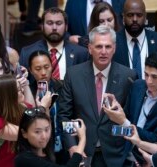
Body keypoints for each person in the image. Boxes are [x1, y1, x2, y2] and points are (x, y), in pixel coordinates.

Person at [58, 25, 137, 167]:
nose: (104, 52)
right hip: (83, 152)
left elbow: (130, 117)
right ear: (89, 48)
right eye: (99, 46)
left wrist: (123, 149)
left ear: (114, 48)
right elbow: (65, 115)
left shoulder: (128, 76)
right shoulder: (73, 75)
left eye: (108, 47)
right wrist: (72, 146)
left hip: (116, 156)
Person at [103, 51, 157, 165]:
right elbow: (127, 115)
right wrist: (116, 110)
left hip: (147, 159)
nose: (149, 81)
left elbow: (156, 138)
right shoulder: (138, 86)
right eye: (146, 74)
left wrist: (123, 121)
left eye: (155, 76)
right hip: (123, 154)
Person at [20, 7, 89, 81]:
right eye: (49, 23)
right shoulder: (27, 53)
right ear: (42, 26)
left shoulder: (81, 53)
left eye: (59, 23)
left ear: (66, 27)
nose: (54, 27)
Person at [113, 0, 157, 79]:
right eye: (130, 15)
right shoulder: (113, 42)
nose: (135, 19)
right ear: (123, 17)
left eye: (139, 15)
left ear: (145, 17)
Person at [28, 50, 69, 164]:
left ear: (52, 66)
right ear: (31, 71)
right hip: (38, 148)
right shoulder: (28, 92)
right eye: (38, 69)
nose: (43, 72)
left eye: (47, 67)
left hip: (63, 145)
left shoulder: (64, 86)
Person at [15, 110, 86, 167]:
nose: (44, 136)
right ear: (24, 133)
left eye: (46, 130)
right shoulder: (24, 159)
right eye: (37, 132)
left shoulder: (46, 152)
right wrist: (82, 139)